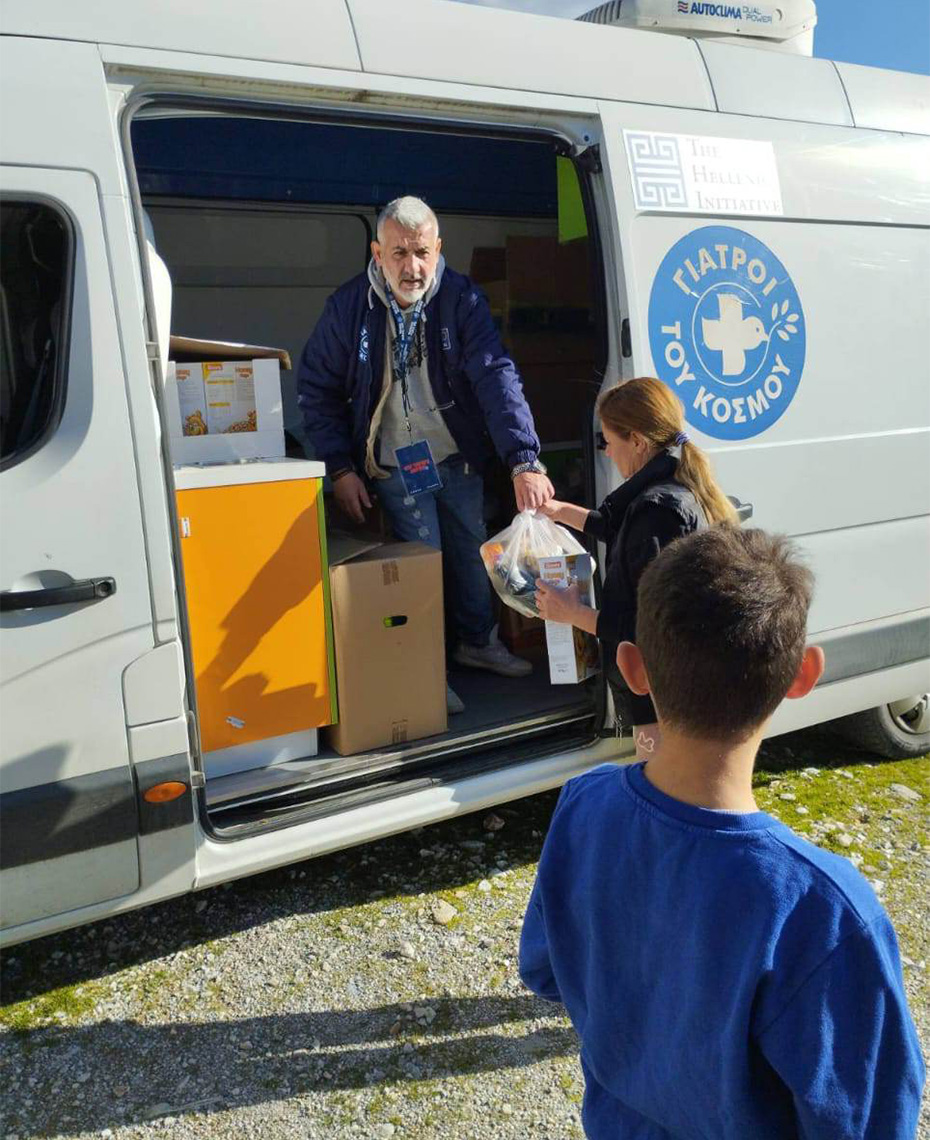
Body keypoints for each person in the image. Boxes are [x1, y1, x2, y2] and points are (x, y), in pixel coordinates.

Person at [519, 526, 925, 1140]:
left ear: (632, 667)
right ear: (803, 674)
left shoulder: (584, 805)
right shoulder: (826, 910)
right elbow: (868, 1119)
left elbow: (544, 970)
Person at [297, 196, 554, 714]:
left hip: (456, 456)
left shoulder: (462, 301)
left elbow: (495, 375)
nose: (411, 267)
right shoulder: (349, 307)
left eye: (421, 253)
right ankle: (425, 668)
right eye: (398, 253)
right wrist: (341, 468)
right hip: (394, 463)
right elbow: (316, 389)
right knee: (422, 564)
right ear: (376, 251)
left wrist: (523, 458)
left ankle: (477, 643)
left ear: (438, 249)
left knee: (472, 553)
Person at [534, 377, 735, 757]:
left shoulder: (657, 512)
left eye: (609, 442)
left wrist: (572, 613)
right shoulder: (666, 489)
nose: (606, 453)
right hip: (667, 687)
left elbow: (650, 627)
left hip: (659, 693)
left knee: (659, 782)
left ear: (638, 442)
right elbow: (616, 527)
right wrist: (560, 512)